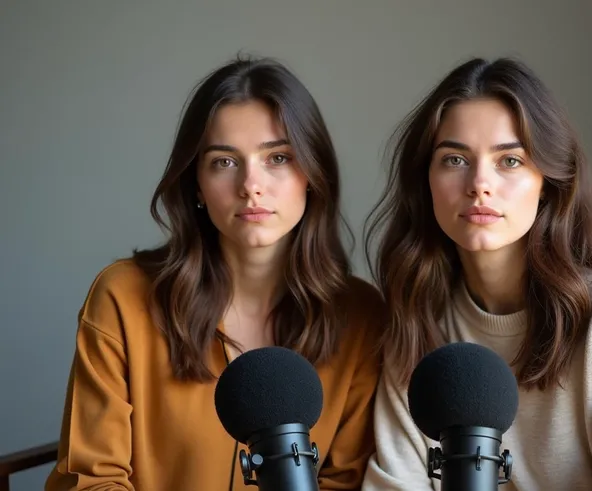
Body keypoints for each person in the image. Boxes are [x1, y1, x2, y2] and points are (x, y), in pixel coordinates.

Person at [46, 56, 383, 491]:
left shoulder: (361, 316)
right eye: (224, 162)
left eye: (278, 157)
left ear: (312, 176)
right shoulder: (122, 297)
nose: (251, 185)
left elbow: (346, 482)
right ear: (197, 185)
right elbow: (91, 480)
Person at [360, 57, 592, 490]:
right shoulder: (417, 316)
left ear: (548, 182)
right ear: (425, 180)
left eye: (510, 161)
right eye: (455, 159)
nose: (480, 183)